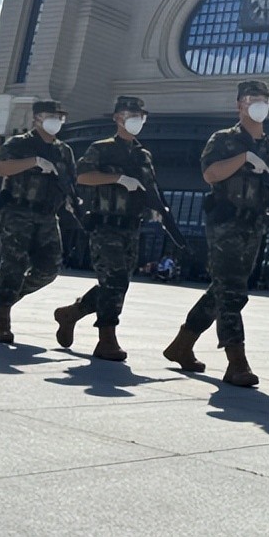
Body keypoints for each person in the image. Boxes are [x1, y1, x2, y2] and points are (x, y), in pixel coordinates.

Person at [162, 80, 269, 386]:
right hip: (225, 222)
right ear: (239, 105)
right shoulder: (223, 140)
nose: (260, 104)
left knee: (223, 288)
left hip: (254, 225)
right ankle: (236, 362)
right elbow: (210, 173)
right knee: (232, 292)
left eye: (265, 100)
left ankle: (182, 344)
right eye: (253, 99)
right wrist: (244, 158)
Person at [51, 96, 158, 361]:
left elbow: (150, 186)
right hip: (105, 224)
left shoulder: (143, 154)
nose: (136, 120)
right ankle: (106, 339)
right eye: (130, 115)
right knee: (115, 279)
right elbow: (82, 176)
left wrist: (155, 207)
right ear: (117, 118)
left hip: (132, 227)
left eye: (140, 116)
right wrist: (118, 178)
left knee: (117, 283)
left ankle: (71, 314)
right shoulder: (102, 148)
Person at [0, 100, 77, 344]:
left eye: (60, 117)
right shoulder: (19, 144)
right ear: (36, 118)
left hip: (48, 216)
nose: (57, 121)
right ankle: (0, 321)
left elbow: (69, 181)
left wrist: (71, 202)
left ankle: (4, 299)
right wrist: (34, 161)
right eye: (51, 116)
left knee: (49, 269)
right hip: (18, 213)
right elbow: (0, 168)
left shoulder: (63, 151)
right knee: (14, 265)